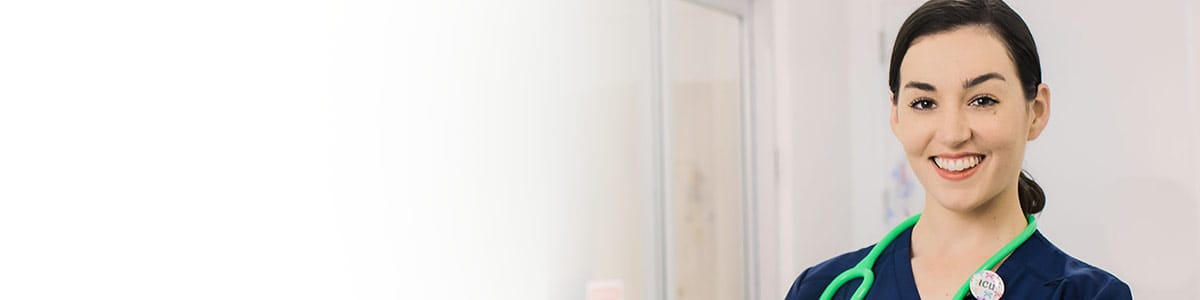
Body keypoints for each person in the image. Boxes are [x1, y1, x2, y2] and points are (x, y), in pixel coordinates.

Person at [784, 0, 1132, 299]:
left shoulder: (1088, 294)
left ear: (1036, 111)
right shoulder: (823, 289)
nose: (952, 134)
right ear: (895, 115)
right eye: (923, 103)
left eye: (982, 100)